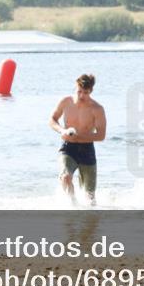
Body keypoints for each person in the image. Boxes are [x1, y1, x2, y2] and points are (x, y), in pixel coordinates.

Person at [49, 74, 106, 206]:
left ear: (91, 91)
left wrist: (79, 136)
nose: (81, 96)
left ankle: (88, 215)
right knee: (65, 177)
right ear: (76, 87)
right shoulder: (66, 102)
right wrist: (62, 130)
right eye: (79, 91)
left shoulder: (97, 109)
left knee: (90, 198)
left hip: (87, 150)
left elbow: (101, 135)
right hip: (68, 148)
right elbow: (52, 119)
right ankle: (73, 205)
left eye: (85, 93)